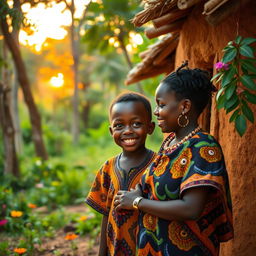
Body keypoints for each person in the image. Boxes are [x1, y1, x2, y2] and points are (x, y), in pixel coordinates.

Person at [114, 63, 234, 256]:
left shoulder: (203, 148)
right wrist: (140, 190)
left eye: (161, 105)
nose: (155, 111)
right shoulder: (170, 142)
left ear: (184, 106)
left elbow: (190, 208)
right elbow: (156, 183)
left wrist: (137, 202)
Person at [85, 92, 156, 256]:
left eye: (136, 124)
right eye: (119, 125)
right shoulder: (107, 168)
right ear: (111, 131)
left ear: (150, 127)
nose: (128, 131)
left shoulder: (158, 165)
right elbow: (105, 214)